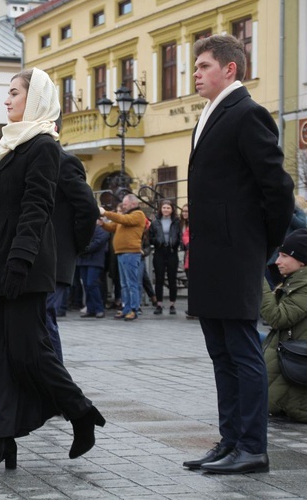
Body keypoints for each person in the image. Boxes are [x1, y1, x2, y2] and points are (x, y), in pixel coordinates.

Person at [0, 68, 104, 473]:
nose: (7, 101)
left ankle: (81, 413)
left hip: (24, 269)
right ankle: (2, 443)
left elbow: (37, 209)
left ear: (34, 99)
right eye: (8, 94)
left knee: (31, 352)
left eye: (15, 93)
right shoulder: (9, 148)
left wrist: (21, 260)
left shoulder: (43, 147)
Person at [182, 34, 295, 475]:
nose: (196, 73)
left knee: (242, 351)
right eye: (195, 66)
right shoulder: (208, 115)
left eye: (204, 65)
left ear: (230, 69)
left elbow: (278, 190)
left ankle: (253, 448)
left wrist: (260, 246)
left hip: (236, 253)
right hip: (211, 255)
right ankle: (230, 441)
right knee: (221, 352)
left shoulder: (248, 113)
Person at [47, 116, 100, 359]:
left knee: (44, 320)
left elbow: (88, 207)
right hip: (35, 256)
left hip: (56, 257)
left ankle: (56, 387)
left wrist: (75, 246)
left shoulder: (64, 161)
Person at [261, 229, 307, 423]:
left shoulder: (304, 286)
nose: (278, 261)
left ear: (302, 261)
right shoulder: (295, 281)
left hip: (296, 369)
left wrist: (257, 280)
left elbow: (278, 318)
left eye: (285, 256)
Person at [99, 194, 147, 321]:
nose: (123, 206)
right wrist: (102, 224)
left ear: (133, 204)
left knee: (132, 283)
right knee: (124, 284)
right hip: (122, 253)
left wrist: (106, 213)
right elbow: (113, 227)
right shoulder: (125, 217)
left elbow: (124, 220)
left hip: (131, 253)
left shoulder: (138, 215)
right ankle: (126, 309)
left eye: (125, 204)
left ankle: (134, 309)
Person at [149, 200, 181, 315]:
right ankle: (159, 304)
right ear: (160, 209)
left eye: (168, 208)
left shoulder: (177, 222)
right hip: (159, 251)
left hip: (172, 252)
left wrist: (177, 243)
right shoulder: (155, 222)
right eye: (164, 208)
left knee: (172, 279)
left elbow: (179, 235)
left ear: (172, 209)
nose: (166, 210)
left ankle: (172, 304)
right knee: (159, 279)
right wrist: (157, 241)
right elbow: (150, 236)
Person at [77, 221, 110, 318]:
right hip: (83, 260)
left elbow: (98, 242)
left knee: (92, 284)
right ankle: (91, 309)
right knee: (87, 285)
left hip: (94, 261)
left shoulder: (100, 229)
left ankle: (99, 308)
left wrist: (84, 248)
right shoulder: (83, 229)